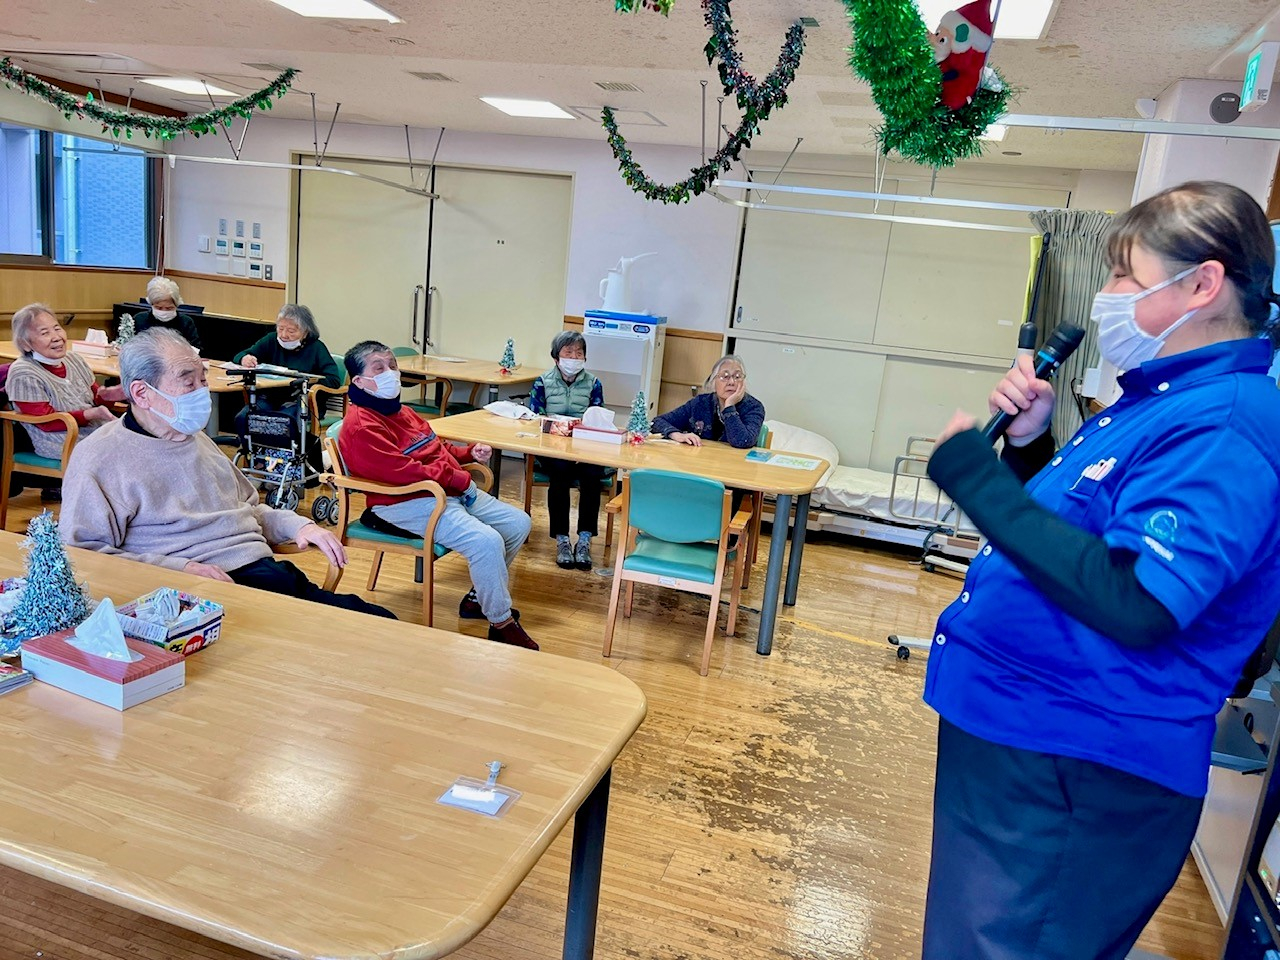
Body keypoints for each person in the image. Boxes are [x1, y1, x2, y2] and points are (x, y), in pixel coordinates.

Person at [919, 180, 1280, 960]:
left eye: (1125, 275)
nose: (1107, 294)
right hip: (1031, 741)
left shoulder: (1224, 423)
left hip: (1077, 769)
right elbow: (1072, 547)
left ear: (1203, 284)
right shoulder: (1159, 403)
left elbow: (1138, 600)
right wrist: (1028, 452)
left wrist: (976, 480)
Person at [59, 328, 394, 619]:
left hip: (265, 573)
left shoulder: (194, 439)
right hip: (196, 597)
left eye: (202, 380)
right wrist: (182, 570)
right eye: (188, 382)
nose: (201, 392)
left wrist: (298, 525)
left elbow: (248, 508)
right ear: (142, 393)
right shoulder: (100, 458)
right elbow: (84, 556)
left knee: (382, 622)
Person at [338, 340, 537, 649]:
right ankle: (501, 622)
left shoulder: (403, 411)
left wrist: (468, 453)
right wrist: (458, 478)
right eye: (379, 368)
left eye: (393, 365)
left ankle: (477, 600)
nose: (390, 373)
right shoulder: (362, 426)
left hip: (442, 490)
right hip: (404, 500)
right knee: (486, 542)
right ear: (359, 381)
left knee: (518, 523)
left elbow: (435, 448)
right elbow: (405, 472)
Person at [6, 303, 126, 476]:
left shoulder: (74, 359)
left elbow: (95, 399)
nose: (56, 337)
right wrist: (90, 414)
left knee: (141, 443)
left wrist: (111, 396)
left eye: (57, 328)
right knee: (122, 454)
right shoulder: (23, 372)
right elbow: (45, 422)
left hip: (96, 431)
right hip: (59, 440)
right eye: (45, 333)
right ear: (25, 344)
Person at [528, 331, 607, 570]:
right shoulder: (542, 382)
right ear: (556, 357)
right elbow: (535, 418)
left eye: (579, 353)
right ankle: (562, 539)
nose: (574, 357)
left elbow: (598, 418)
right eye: (568, 352)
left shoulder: (594, 383)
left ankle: (584, 539)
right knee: (559, 473)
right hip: (553, 446)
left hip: (584, 446)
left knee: (592, 473)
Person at [231, 304, 342, 442]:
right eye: (280, 328)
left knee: (281, 423)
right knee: (244, 418)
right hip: (270, 398)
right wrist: (245, 359)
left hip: (301, 401)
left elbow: (333, 380)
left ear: (305, 332)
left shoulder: (316, 348)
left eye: (291, 331)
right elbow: (241, 355)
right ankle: (254, 454)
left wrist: (307, 382)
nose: (284, 335)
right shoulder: (271, 340)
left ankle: (280, 455)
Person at [652, 355, 765, 448]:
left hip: (737, 465)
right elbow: (657, 422)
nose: (731, 382)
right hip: (701, 462)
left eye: (737, 376)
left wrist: (729, 406)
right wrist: (676, 435)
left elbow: (742, 441)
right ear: (713, 382)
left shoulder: (754, 407)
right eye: (725, 376)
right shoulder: (700, 403)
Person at [132, 276, 201, 350]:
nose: (163, 311)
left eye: (169, 308)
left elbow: (196, 349)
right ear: (151, 304)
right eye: (158, 308)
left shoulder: (186, 323)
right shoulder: (139, 320)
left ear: (176, 305)